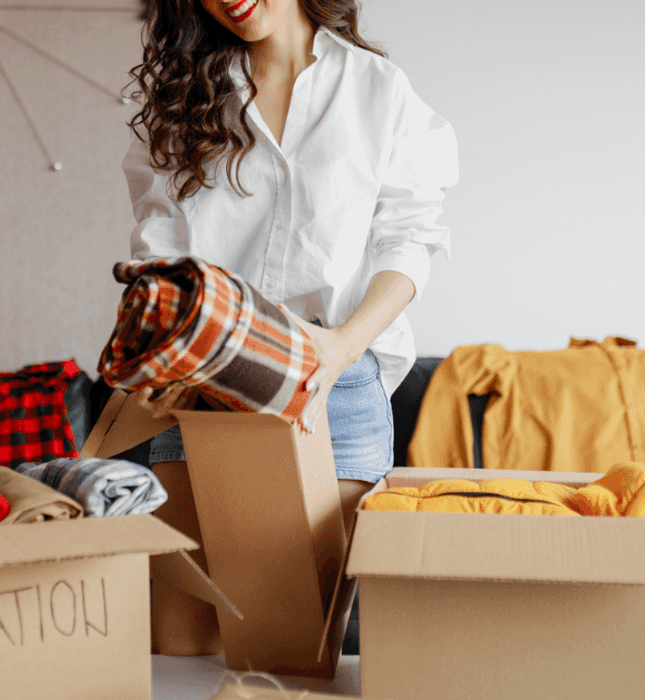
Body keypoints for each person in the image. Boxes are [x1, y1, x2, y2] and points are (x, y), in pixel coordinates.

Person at [121, 0, 458, 654]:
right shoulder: (181, 96)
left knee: (292, 652)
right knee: (178, 649)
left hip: (333, 381)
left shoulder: (376, 90)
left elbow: (410, 238)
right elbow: (158, 247)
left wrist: (342, 346)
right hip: (206, 383)